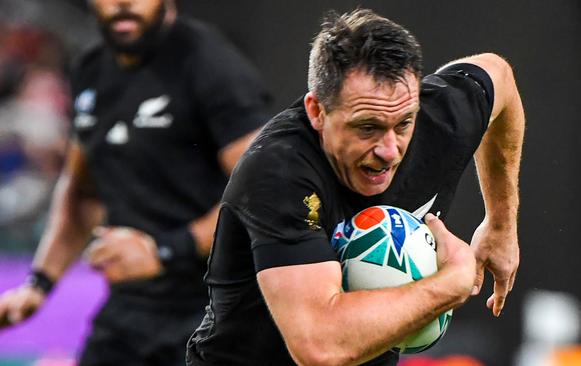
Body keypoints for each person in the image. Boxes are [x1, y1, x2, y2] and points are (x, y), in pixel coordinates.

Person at [186, 8, 524, 366]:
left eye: (403, 123)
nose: (389, 151)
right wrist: (450, 284)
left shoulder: (439, 119)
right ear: (317, 111)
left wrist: (500, 224)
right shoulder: (279, 171)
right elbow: (321, 347)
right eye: (367, 128)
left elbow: (498, 75)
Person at [0, 0, 271, 365]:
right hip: (128, 312)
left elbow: (263, 192)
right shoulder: (90, 70)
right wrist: (40, 284)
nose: (123, 3)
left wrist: (164, 250)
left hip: (212, 313)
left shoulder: (211, 65)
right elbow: (82, 191)